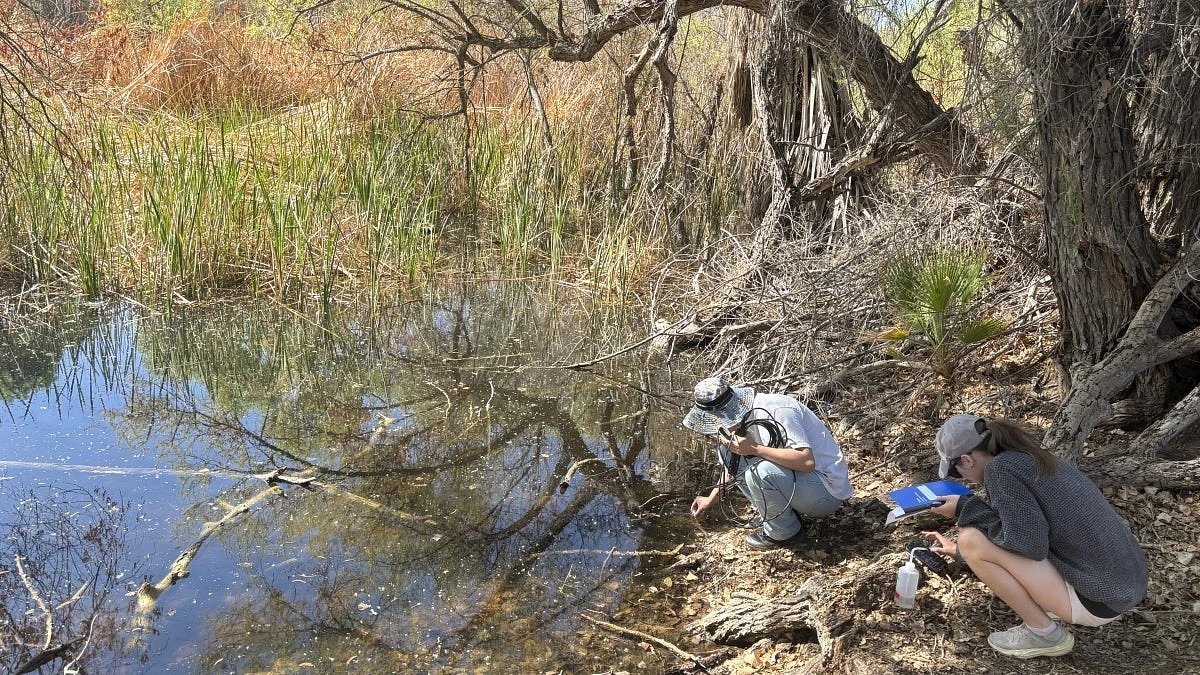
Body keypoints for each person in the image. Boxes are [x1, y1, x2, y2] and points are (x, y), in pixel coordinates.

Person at [922, 414, 1148, 659]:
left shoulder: (1001, 471)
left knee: (970, 538)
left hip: (1099, 599)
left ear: (966, 459)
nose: (961, 478)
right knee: (968, 544)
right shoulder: (1030, 456)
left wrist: (965, 509)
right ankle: (1049, 613)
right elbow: (1030, 531)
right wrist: (960, 553)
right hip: (1123, 586)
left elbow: (1026, 545)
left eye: (956, 472)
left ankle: (1044, 634)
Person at [683, 377, 853, 551]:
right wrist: (711, 499)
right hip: (804, 485)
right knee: (726, 450)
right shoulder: (740, 417)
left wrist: (754, 449)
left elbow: (806, 462)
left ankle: (785, 533)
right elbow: (733, 466)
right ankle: (777, 517)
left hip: (826, 492)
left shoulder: (776, 409)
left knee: (759, 472)